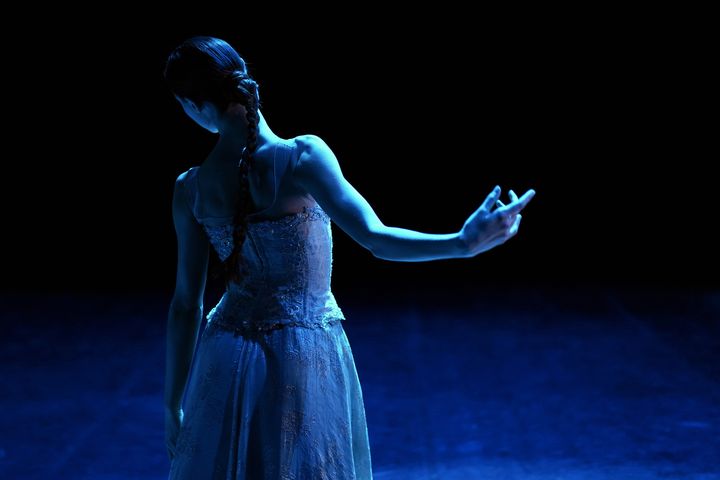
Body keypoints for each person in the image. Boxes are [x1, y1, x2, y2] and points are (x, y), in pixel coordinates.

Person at [163, 36, 536, 480]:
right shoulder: (302, 157)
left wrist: (173, 402)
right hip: (303, 354)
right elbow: (376, 238)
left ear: (193, 104)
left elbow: (187, 304)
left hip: (225, 354)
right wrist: (461, 242)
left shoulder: (190, 188)